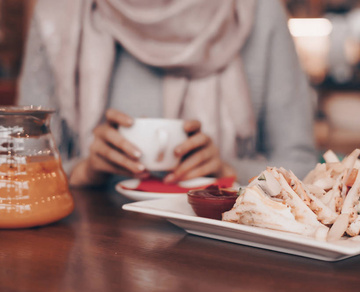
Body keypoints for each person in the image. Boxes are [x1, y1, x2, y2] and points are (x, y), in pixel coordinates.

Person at [18, 0, 317, 187]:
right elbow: (18, 171)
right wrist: (83, 171)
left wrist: (228, 170)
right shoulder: (57, 15)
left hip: (230, 256)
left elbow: (304, 168)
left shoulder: (257, 11)